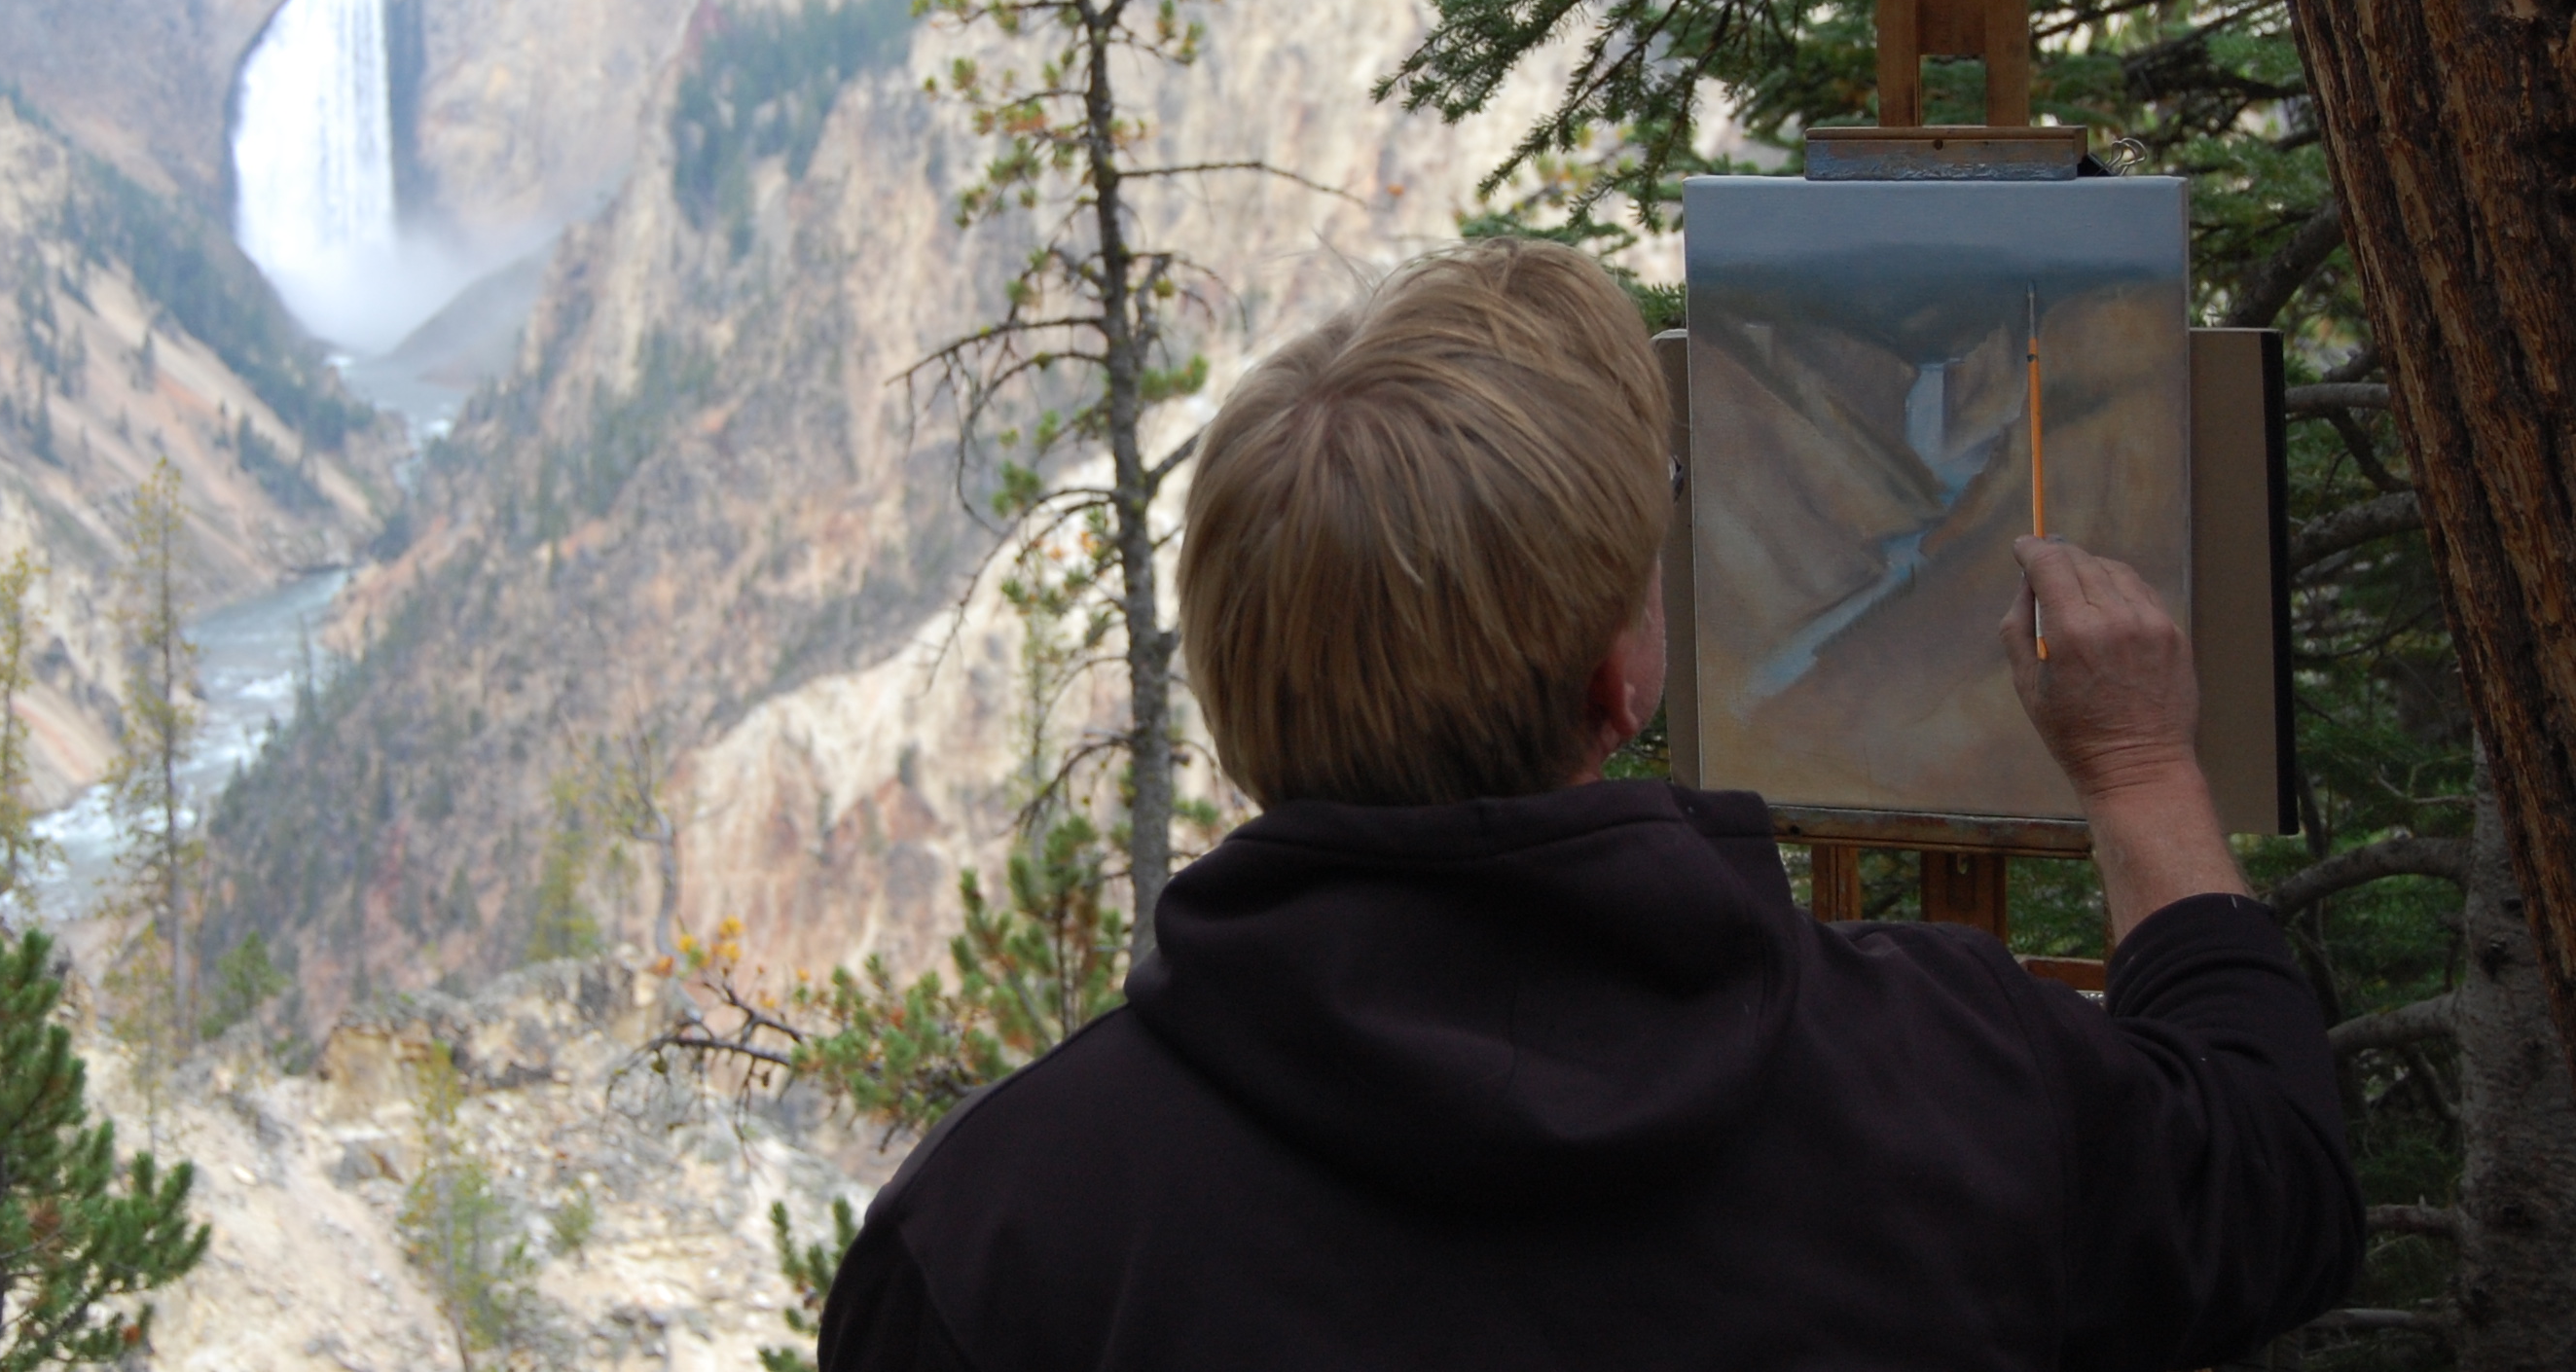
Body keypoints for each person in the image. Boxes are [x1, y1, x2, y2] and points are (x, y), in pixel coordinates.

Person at [818, 238, 2359, 1370]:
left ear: (1232, 704)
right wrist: (2144, 770)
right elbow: (2274, 1180)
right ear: (1624, 682)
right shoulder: (1948, 1081)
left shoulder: (1008, 1232)